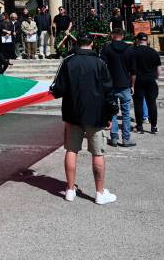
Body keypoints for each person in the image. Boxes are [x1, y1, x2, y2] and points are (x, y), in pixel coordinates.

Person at [49, 33, 117, 205]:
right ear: (92, 44)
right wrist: (110, 114)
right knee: (97, 152)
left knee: (72, 150)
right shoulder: (100, 62)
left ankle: (70, 190)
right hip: (96, 113)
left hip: (73, 113)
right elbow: (109, 90)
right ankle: (99, 193)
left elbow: (58, 89)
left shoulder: (68, 61)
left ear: (77, 44)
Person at [100, 29, 136, 148]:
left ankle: (114, 138)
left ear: (112, 36)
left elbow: (102, 67)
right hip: (125, 85)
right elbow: (133, 71)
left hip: (111, 86)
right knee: (126, 113)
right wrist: (133, 85)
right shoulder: (130, 49)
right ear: (122, 36)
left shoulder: (107, 48)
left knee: (112, 113)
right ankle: (126, 139)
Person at [132, 32, 162, 134]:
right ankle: (153, 127)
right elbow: (159, 70)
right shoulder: (154, 52)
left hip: (138, 80)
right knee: (152, 103)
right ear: (146, 40)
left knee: (138, 104)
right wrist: (156, 79)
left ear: (137, 40)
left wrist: (131, 83)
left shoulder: (133, 51)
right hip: (151, 80)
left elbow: (131, 69)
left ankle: (140, 127)